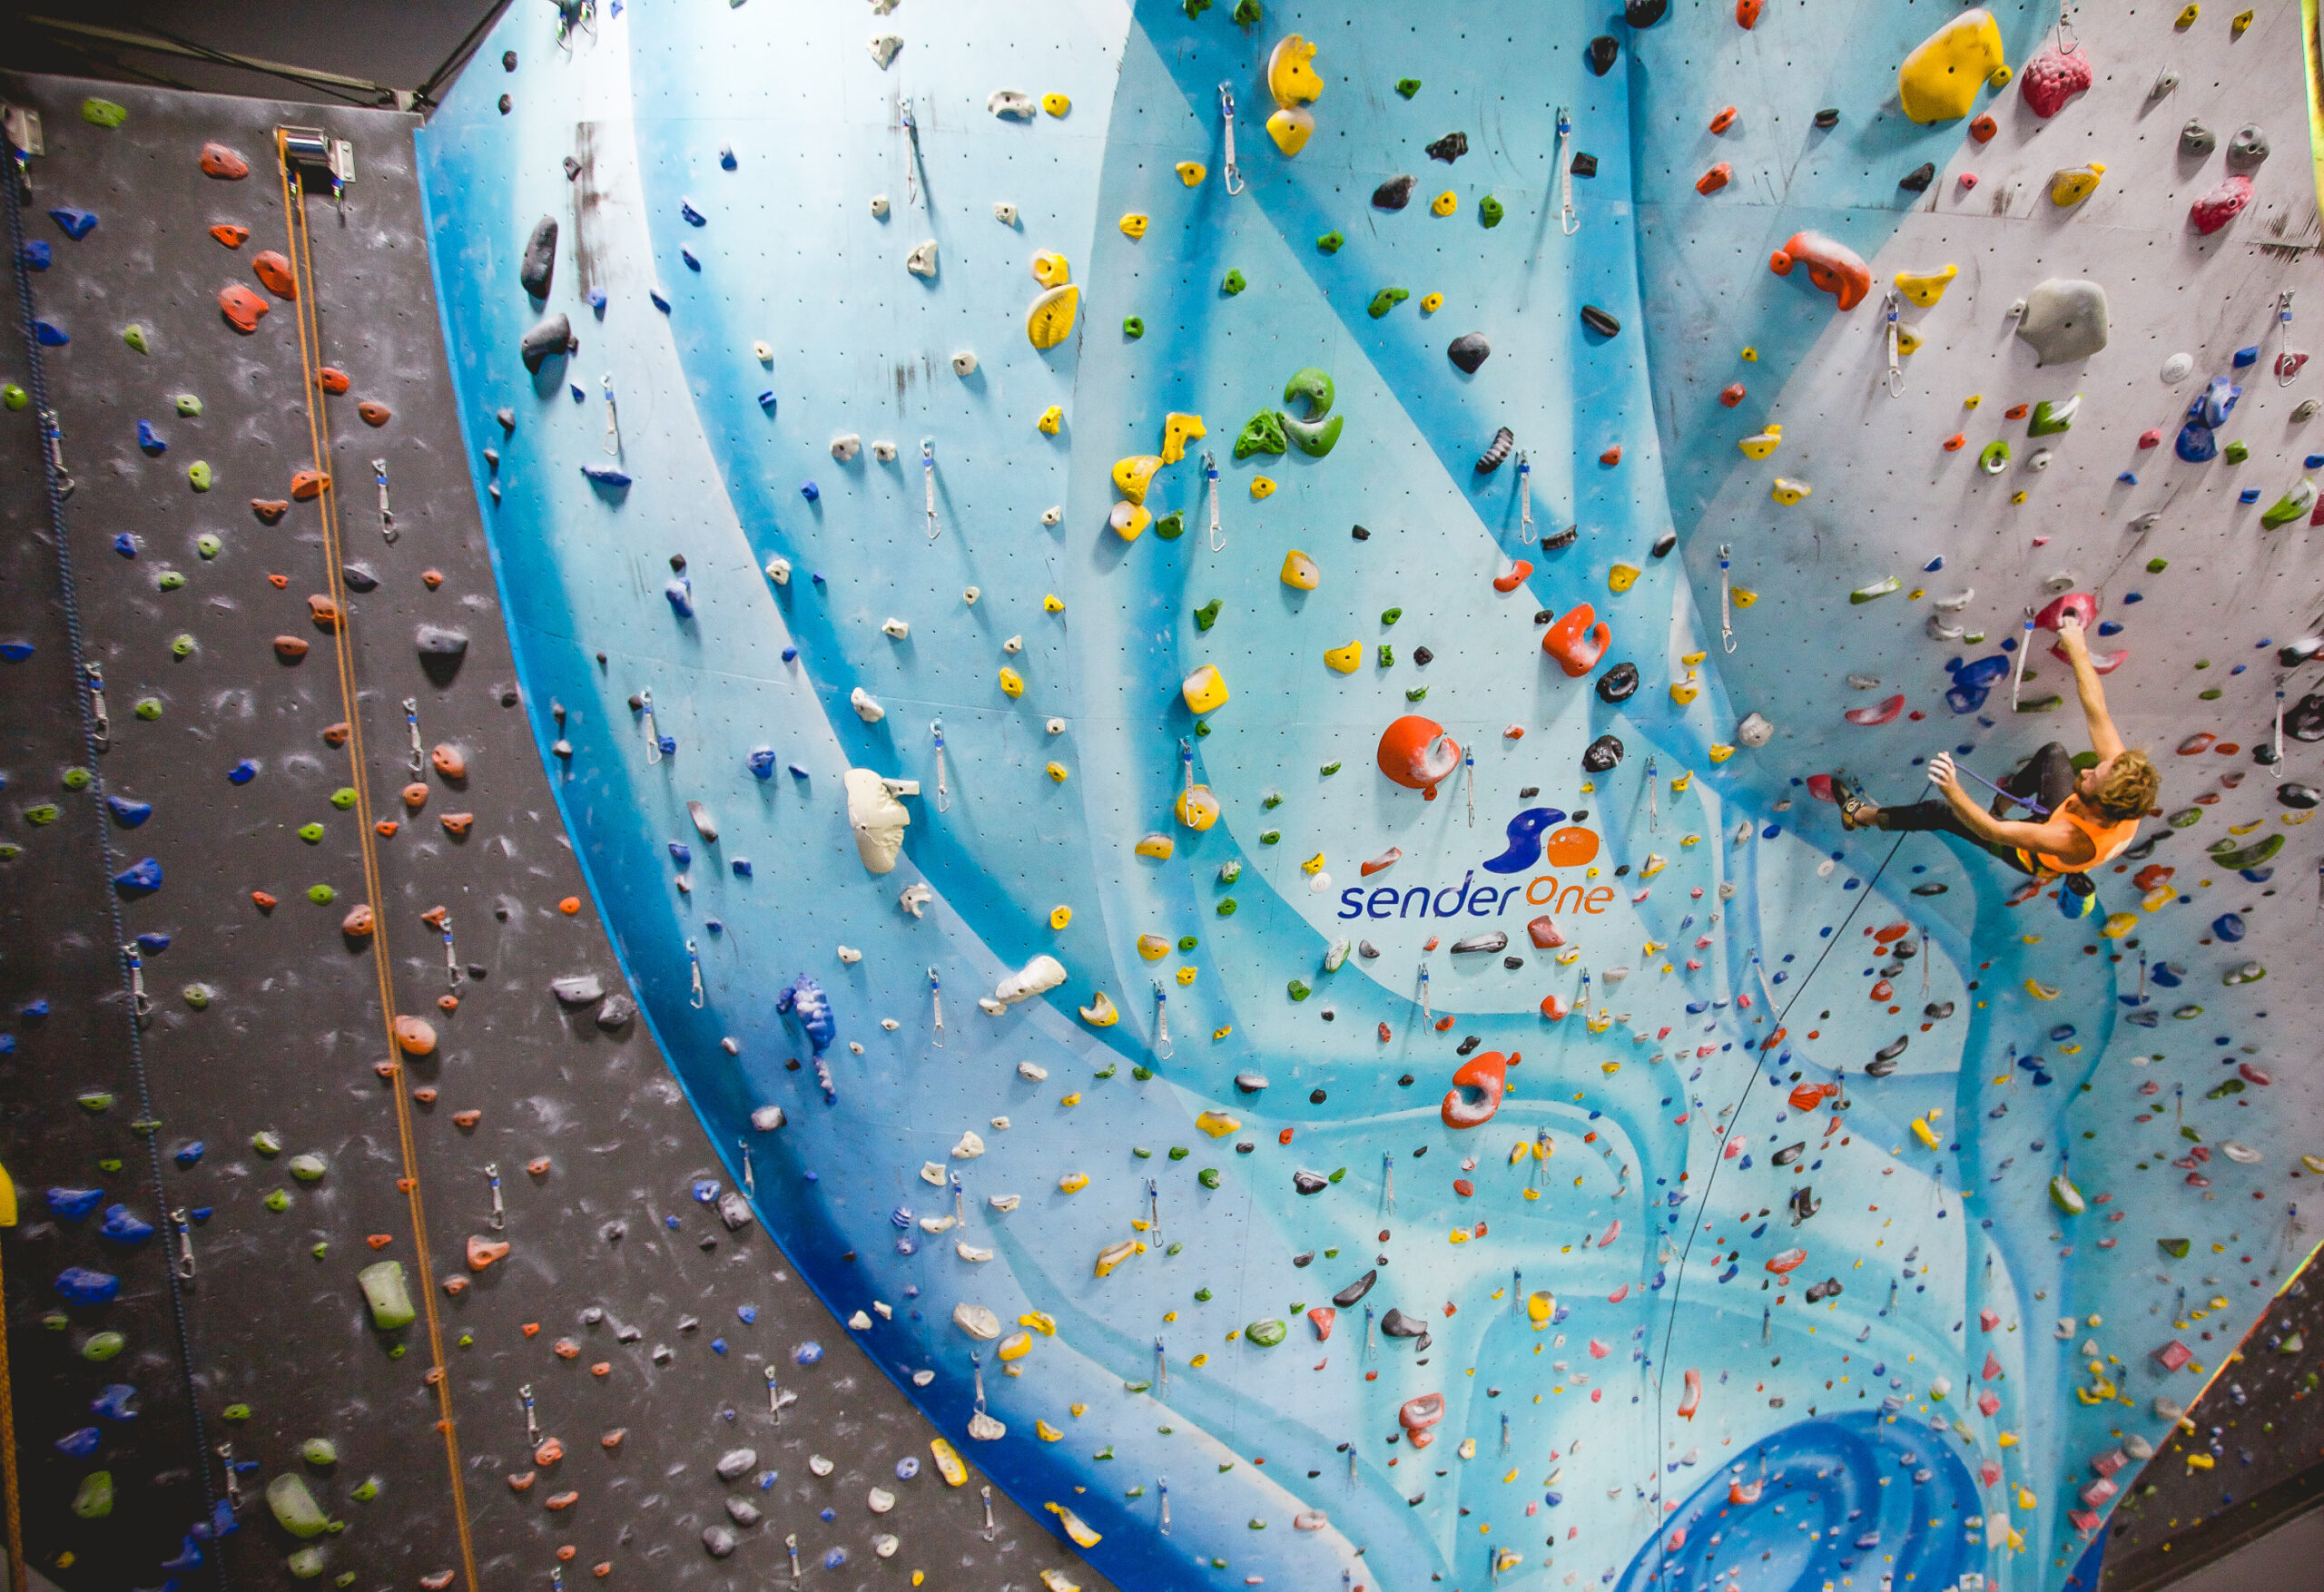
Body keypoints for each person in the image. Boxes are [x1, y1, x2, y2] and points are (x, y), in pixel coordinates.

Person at [1830, 614, 2159, 880]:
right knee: (2055, 753)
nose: (2086, 770)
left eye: (2091, 779)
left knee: (1941, 813)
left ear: (2100, 806)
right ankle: (2003, 801)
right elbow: (2096, 710)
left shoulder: (2071, 840)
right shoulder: (2120, 785)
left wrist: (1952, 789)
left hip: (2032, 853)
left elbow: (1991, 832)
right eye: (2096, 767)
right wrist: (2077, 648)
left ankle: (1861, 816)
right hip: (2069, 817)